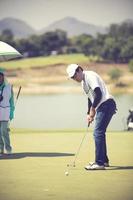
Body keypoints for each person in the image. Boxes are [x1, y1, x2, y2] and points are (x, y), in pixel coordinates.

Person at [66, 64, 117, 170]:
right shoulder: (83, 83)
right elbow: (90, 98)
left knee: (98, 132)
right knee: (100, 133)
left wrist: (93, 109)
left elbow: (98, 93)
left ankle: (99, 163)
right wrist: (89, 114)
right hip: (102, 105)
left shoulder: (90, 76)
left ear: (79, 70)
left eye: (74, 76)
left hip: (106, 104)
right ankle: (104, 161)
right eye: (72, 78)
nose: (74, 79)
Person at [0, 68, 15, 155]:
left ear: (3, 77)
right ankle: (1, 149)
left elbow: (11, 101)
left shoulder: (8, 87)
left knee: (4, 130)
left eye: (1, 76)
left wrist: (12, 113)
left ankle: (8, 149)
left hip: (5, 112)